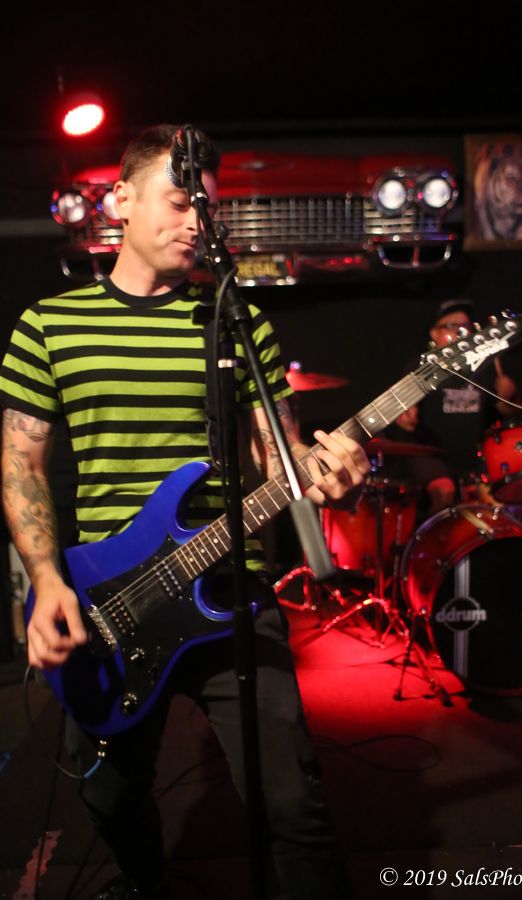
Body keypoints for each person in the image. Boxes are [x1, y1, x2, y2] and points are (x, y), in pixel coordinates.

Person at [0, 124, 370, 900]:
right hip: (110, 598)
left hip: (230, 588)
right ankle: (145, 884)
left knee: (293, 802)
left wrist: (331, 475)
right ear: (121, 200)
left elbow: (279, 458)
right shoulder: (49, 325)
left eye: (207, 207)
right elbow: (22, 465)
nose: (197, 221)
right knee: (109, 794)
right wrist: (47, 580)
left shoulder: (237, 321)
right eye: (179, 201)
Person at [386, 298, 517, 514]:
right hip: (432, 457)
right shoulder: (420, 366)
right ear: (433, 333)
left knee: (503, 495)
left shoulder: (486, 367)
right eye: (450, 326)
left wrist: (508, 399)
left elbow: (507, 416)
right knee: (444, 490)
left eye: (464, 327)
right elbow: (400, 418)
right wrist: (404, 416)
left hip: (477, 460)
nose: (459, 332)